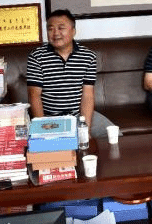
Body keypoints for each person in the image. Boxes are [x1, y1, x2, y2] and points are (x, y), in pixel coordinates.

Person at [26, 9, 114, 138]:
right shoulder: (36, 57)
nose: (56, 33)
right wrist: (44, 129)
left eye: (61, 28)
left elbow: (87, 95)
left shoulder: (88, 56)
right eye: (50, 29)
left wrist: (86, 129)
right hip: (49, 118)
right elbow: (34, 96)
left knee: (114, 134)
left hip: (78, 116)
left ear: (73, 31)